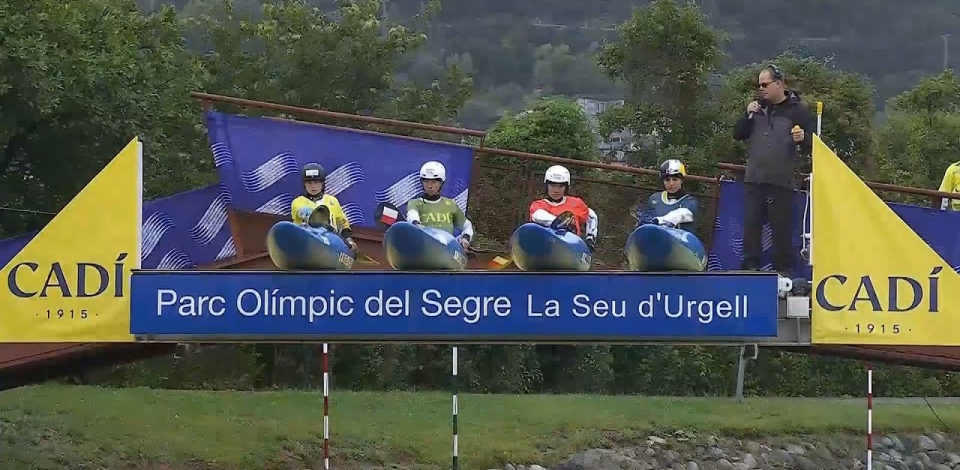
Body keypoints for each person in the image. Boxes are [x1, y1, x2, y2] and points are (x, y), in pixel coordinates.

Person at [732, 64, 815, 277]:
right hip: (755, 178)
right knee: (751, 227)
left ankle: (783, 274)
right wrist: (747, 115)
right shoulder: (757, 107)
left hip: (781, 181)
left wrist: (803, 138)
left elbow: (814, 144)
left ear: (779, 84)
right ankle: (750, 269)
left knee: (781, 230)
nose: (761, 89)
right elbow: (738, 134)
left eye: (765, 84)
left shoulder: (798, 111)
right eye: (759, 85)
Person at [529, 164, 599, 253]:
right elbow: (537, 215)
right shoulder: (539, 205)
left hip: (572, 249)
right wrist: (558, 222)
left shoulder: (576, 203)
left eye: (561, 186)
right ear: (547, 186)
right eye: (552, 185)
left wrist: (590, 238)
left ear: (566, 187)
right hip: (545, 248)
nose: (556, 190)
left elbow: (591, 215)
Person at [405, 161, 474, 250]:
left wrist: (465, 237)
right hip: (423, 248)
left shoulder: (451, 204)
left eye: (434, 182)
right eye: (426, 181)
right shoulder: (414, 203)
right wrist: (416, 224)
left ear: (441, 183)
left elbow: (467, 226)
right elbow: (412, 216)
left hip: (447, 250)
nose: (429, 186)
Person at [290, 162, 358, 251]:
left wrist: (349, 240)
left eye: (316, 182)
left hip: (332, 245)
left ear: (322, 184)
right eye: (309, 183)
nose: (313, 186)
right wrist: (319, 219)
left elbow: (343, 224)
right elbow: (304, 211)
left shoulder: (333, 201)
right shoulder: (298, 202)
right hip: (306, 244)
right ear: (304, 185)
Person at [636, 159, 699, 232]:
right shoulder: (654, 199)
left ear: (682, 180)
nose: (671, 183)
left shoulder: (690, 202)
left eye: (675, 179)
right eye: (667, 180)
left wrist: (659, 221)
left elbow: (681, 214)